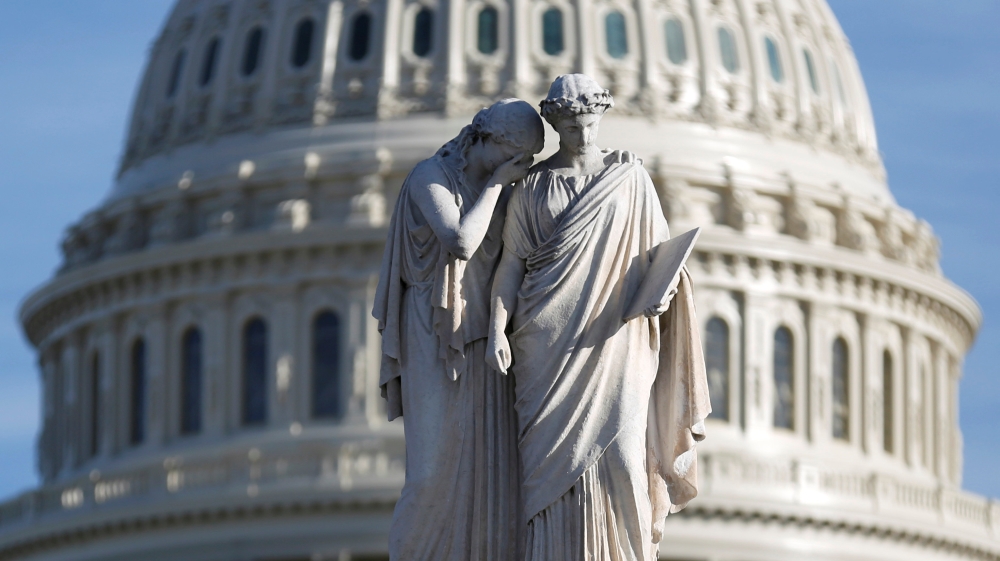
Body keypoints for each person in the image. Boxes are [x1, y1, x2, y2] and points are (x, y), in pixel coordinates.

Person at [486, 75, 711, 560]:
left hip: (617, 339)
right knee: (546, 473)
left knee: (627, 459)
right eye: (571, 128)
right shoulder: (533, 187)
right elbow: (510, 267)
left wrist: (661, 293)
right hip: (543, 345)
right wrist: (495, 331)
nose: (583, 136)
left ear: (602, 117)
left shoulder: (631, 180)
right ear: (553, 123)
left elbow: (663, 262)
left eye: (589, 124)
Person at [373, 99, 544, 560]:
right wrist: (496, 186)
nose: (519, 168)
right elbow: (461, 241)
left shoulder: (510, 185)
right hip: (431, 329)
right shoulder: (430, 176)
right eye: (514, 156)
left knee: (491, 473)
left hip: (487, 337)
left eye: (524, 161)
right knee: (430, 475)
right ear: (487, 140)